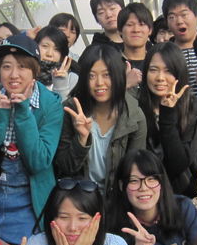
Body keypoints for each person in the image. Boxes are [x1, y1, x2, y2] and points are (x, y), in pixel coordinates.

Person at [0, 35, 64, 245]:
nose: (14, 75)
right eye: (6, 67)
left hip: (30, 203)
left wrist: (23, 113)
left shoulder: (50, 104)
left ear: (35, 70)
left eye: (22, 66)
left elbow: (39, 161)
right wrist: (0, 116)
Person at [55, 43, 147, 194]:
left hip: (118, 198)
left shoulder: (134, 116)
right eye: (91, 76)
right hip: (80, 199)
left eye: (107, 75)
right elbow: (65, 167)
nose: (99, 83)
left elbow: (135, 172)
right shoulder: (71, 110)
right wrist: (81, 140)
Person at [138, 42, 197, 197]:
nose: (160, 78)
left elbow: (178, 164)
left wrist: (167, 114)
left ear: (179, 74)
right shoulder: (136, 106)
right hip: (140, 192)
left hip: (181, 197)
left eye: (168, 71)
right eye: (153, 70)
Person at [162, 0, 197, 73]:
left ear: (196, 15)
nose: (179, 21)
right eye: (172, 17)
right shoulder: (164, 54)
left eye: (184, 15)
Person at [118, 2, 153, 92]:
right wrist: (126, 84)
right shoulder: (111, 63)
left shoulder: (158, 61)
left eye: (141, 24)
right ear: (120, 30)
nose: (136, 30)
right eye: (130, 25)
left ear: (150, 30)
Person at [35, 25, 77, 98]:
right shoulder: (26, 72)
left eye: (56, 49)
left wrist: (61, 85)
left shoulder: (71, 78)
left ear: (63, 54)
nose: (49, 54)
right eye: (45, 46)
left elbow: (67, 105)